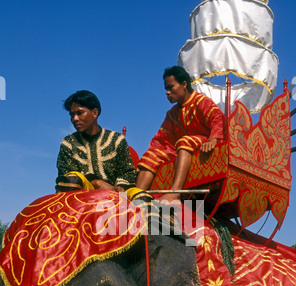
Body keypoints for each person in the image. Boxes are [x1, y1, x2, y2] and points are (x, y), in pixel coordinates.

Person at [136, 66, 225, 203]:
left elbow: (217, 118)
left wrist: (213, 139)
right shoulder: (172, 114)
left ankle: (175, 192)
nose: (167, 92)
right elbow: (161, 139)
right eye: (166, 89)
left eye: (171, 87)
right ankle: (136, 198)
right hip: (179, 151)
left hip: (203, 145)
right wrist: (146, 160)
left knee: (184, 141)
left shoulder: (201, 101)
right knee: (150, 155)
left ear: (184, 84)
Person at [56, 90, 137, 192]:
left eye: (79, 113)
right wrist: (95, 182)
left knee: (143, 199)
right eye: (72, 115)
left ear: (94, 113)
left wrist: (119, 188)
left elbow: (128, 172)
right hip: (81, 197)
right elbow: (66, 176)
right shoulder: (69, 143)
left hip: (117, 194)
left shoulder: (116, 140)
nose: (74, 119)